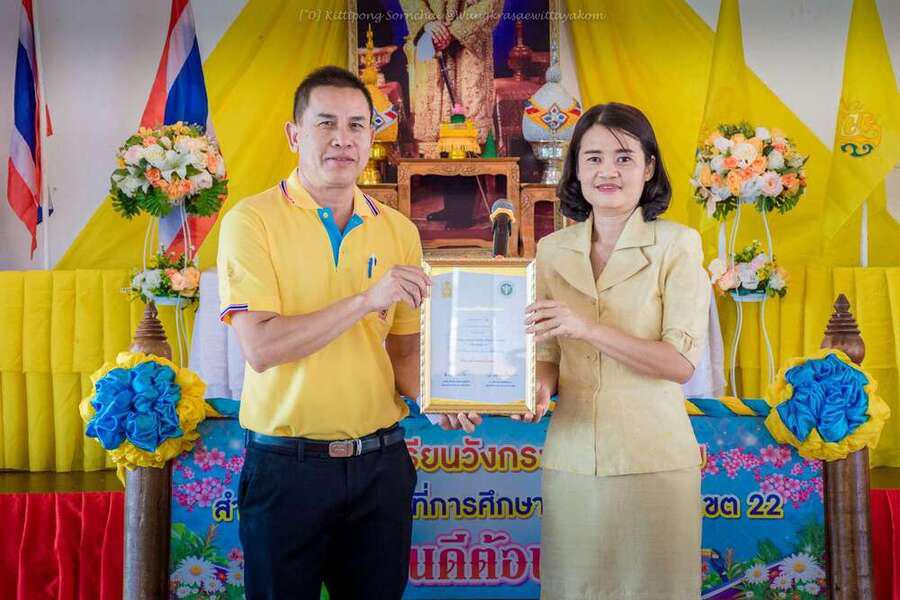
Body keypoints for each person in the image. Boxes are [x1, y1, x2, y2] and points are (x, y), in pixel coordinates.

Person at [217, 65, 474, 600]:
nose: (343, 138)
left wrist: (440, 398)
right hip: (287, 468)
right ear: (294, 134)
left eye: (358, 125)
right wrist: (365, 301)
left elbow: (403, 353)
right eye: (326, 123)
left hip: (381, 466)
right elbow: (262, 348)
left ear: (371, 136)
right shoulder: (252, 221)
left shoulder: (398, 230)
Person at [522, 102, 710, 598]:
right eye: (594, 158)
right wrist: (536, 389)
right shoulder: (551, 250)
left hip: (655, 459)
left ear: (648, 168)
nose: (608, 171)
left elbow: (679, 363)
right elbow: (548, 353)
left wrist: (587, 328)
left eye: (624, 157)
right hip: (572, 459)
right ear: (576, 169)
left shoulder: (678, 245)